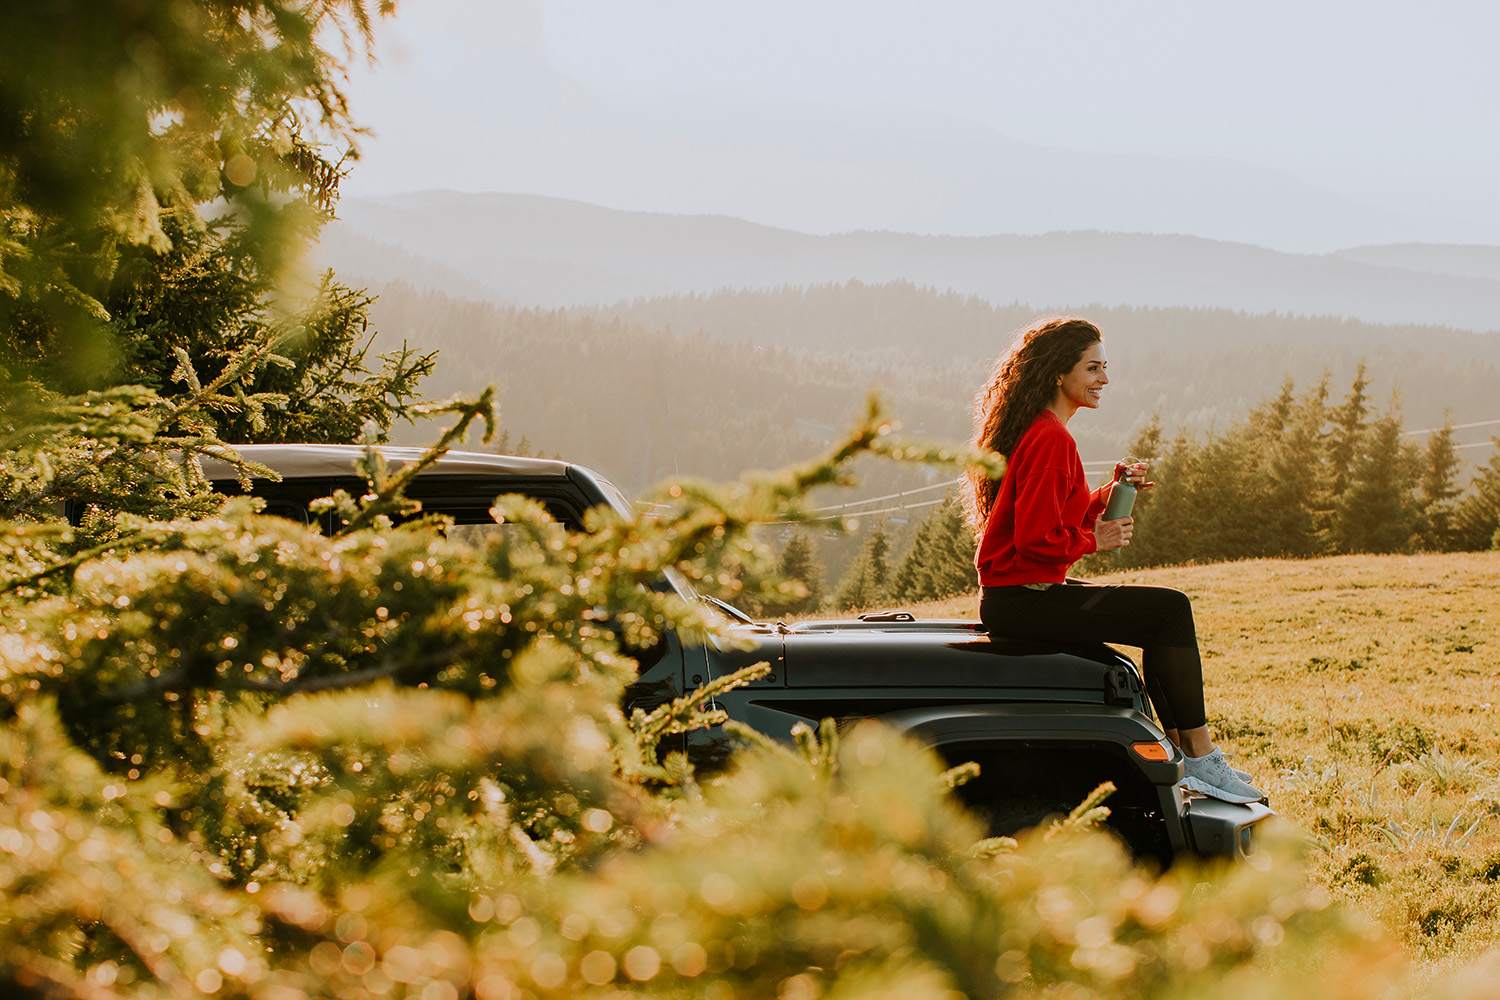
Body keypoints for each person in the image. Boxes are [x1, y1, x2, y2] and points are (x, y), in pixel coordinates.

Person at [962, 316, 1264, 804]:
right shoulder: (1052, 440)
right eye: (1093, 368)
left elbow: (1054, 513)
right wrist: (1094, 540)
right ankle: (1201, 758)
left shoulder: (1043, 430)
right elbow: (1036, 540)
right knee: (1169, 612)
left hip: (1017, 594)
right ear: (1060, 373)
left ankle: (1192, 759)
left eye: (1105, 367)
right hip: (1023, 599)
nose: (1105, 379)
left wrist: (1108, 492)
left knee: (1162, 616)